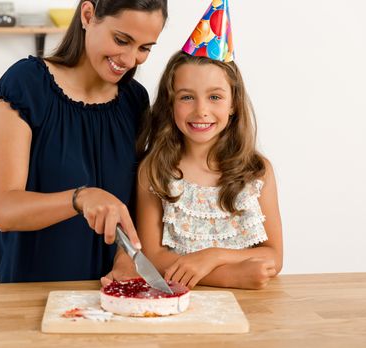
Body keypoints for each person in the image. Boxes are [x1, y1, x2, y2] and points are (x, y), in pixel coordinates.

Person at [0, 0, 168, 283]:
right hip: (27, 288)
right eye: (121, 40)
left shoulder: (134, 100)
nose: (130, 60)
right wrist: (81, 198)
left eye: (144, 48)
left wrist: (125, 257)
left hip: (104, 294)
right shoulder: (26, 85)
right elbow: (5, 211)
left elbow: (133, 202)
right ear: (88, 15)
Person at [104, 0, 283, 290]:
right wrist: (228, 276)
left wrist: (210, 257)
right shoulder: (155, 172)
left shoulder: (257, 171)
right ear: (170, 103)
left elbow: (273, 257)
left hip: (252, 311)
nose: (201, 110)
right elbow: (151, 255)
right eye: (187, 97)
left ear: (234, 104)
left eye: (215, 97)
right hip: (176, 304)